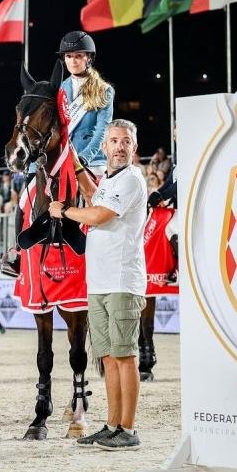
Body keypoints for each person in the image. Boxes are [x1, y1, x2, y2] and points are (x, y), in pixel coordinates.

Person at [50, 119, 147, 450]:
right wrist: (76, 165)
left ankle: (128, 429)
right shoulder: (109, 179)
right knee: (107, 357)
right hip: (100, 281)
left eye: (126, 141)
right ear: (105, 147)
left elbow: (100, 215)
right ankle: (112, 425)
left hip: (122, 280)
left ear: (134, 147)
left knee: (124, 356)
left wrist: (64, 210)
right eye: (114, 140)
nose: (120, 146)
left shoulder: (132, 178)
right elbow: (94, 197)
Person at [58, 31, 114, 177]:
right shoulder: (59, 89)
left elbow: (103, 131)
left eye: (78, 56)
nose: (73, 61)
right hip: (62, 160)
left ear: (88, 58)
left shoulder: (103, 90)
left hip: (92, 161)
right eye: (68, 56)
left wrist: (85, 157)